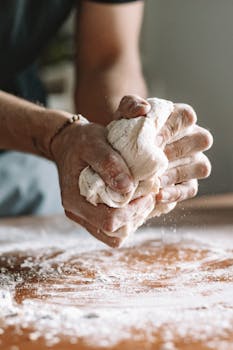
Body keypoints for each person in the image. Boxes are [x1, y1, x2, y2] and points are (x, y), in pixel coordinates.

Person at [0, 0, 213, 247]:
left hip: (24, 163)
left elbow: (107, 58)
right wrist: (55, 136)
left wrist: (127, 141)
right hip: (35, 135)